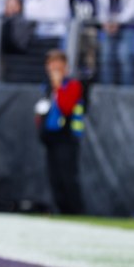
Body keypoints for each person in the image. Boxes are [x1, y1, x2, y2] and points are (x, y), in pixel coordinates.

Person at [35, 50, 86, 214]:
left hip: (67, 138)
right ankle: (62, 211)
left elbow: (65, 107)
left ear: (65, 68)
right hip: (51, 139)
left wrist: (58, 87)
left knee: (68, 178)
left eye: (58, 66)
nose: (54, 70)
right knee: (54, 178)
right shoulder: (46, 87)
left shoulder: (73, 85)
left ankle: (76, 213)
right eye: (51, 66)